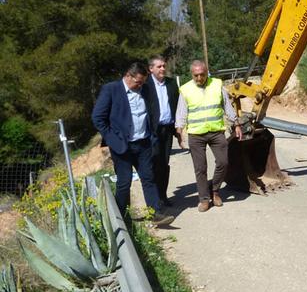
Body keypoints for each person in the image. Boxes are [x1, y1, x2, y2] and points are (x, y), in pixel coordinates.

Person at [91, 62, 174, 226]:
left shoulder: (145, 89)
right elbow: (98, 118)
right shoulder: (111, 90)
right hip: (122, 146)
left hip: (143, 143)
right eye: (137, 82)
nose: (140, 85)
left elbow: (152, 111)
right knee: (124, 182)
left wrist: (153, 134)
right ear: (128, 76)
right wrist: (112, 138)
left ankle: (155, 213)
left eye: (142, 82)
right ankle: (121, 218)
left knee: (148, 178)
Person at [175, 60, 243, 212]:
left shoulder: (217, 84)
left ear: (207, 72)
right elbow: (181, 112)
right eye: (196, 75)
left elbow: (227, 106)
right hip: (196, 134)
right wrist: (179, 132)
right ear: (191, 74)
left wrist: (236, 124)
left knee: (223, 162)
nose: (199, 78)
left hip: (216, 131)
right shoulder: (185, 89)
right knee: (200, 168)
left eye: (202, 75)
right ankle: (204, 199)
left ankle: (215, 191)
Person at [143, 55, 179, 207]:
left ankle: (163, 195)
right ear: (151, 69)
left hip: (167, 130)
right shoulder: (145, 85)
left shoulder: (171, 84)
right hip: (152, 131)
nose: (163, 69)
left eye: (164, 66)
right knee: (153, 164)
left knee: (164, 163)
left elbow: (177, 106)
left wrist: (178, 130)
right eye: (159, 66)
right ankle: (154, 198)